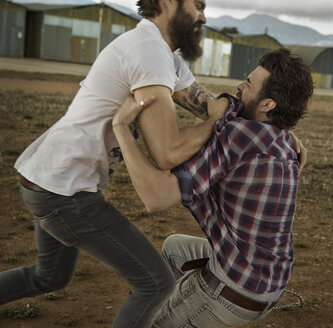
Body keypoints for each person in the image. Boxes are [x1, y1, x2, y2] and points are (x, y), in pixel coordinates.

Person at [0, 0, 228, 327]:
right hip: (65, 193)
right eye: (198, 5)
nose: (204, 16)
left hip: (47, 179)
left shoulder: (163, 55)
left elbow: (213, 109)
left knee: (48, 277)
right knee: (155, 284)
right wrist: (212, 127)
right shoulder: (148, 51)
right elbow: (167, 152)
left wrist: (276, 131)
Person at [112, 48, 314, 327]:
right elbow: (229, 110)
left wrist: (121, 127)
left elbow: (155, 198)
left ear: (268, 104)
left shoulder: (239, 135)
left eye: (248, 83)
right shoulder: (282, 139)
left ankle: (191, 312)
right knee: (174, 249)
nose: (239, 87)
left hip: (236, 289)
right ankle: (185, 309)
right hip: (269, 282)